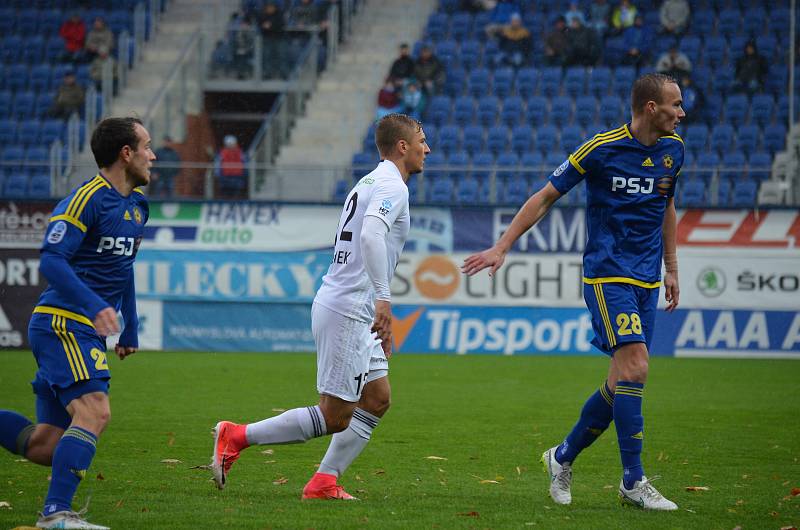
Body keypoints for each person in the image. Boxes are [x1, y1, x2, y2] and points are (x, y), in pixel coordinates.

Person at [462, 73, 684, 511]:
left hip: (647, 280)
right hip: (607, 275)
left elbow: (668, 206)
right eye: (675, 104)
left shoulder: (673, 152)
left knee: (621, 379)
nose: (682, 112)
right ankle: (632, 481)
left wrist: (671, 267)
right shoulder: (600, 148)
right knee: (637, 367)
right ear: (650, 108)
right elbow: (545, 196)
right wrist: (502, 246)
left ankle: (561, 457)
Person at [211, 113, 429, 500]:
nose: (426, 148)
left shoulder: (369, 181)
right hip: (350, 308)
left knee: (377, 399)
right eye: (421, 140)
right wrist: (383, 297)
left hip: (351, 307)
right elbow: (371, 235)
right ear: (402, 146)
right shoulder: (394, 187)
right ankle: (237, 436)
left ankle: (324, 481)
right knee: (334, 415)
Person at [0, 117, 154, 529]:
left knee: (46, 444)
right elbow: (51, 258)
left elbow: (125, 267)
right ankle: (56, 515)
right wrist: (93, 304)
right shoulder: (86, 199)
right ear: (126, 153)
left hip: (81, 326)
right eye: (146, 146)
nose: (152, 156)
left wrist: (131, 325)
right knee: (95, 413)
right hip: (64, 323)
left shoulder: (137, 207)